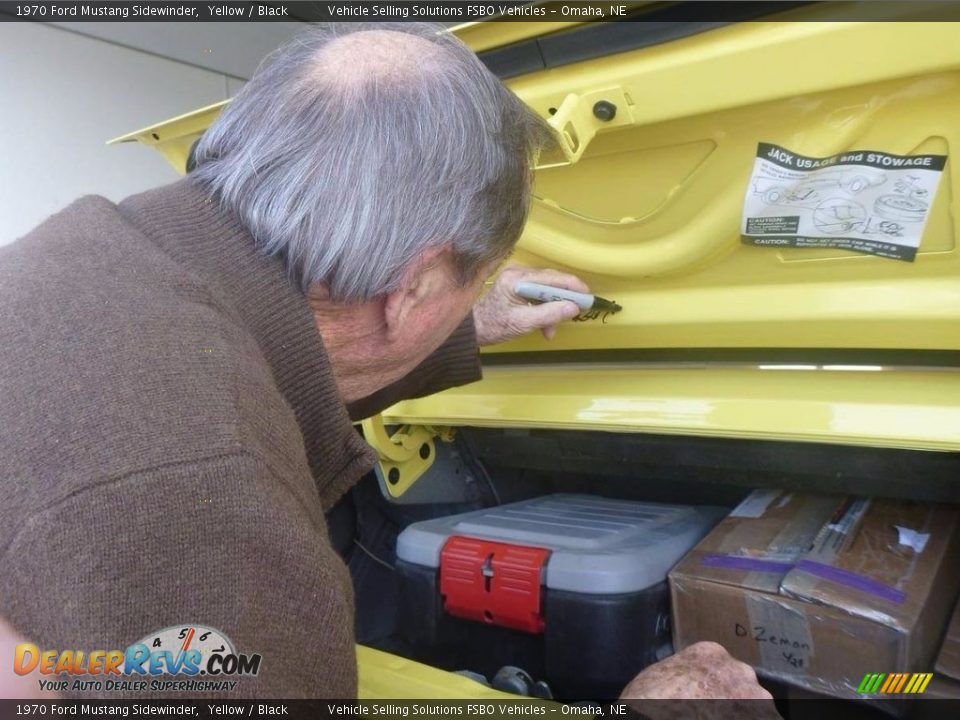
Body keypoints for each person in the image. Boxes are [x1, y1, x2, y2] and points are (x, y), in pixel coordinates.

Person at [0, 23, 771, 703]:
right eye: (472, 276)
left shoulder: (80, 259)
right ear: (413, 290)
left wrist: (467, 315)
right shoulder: (205, 505)